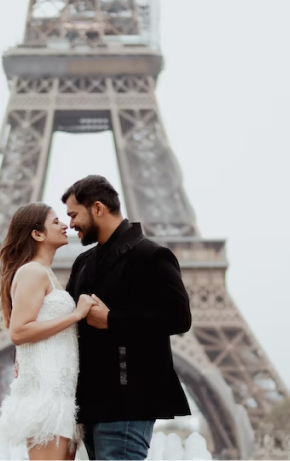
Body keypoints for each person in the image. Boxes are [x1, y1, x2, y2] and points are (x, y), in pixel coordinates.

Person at [62, 175, 193, 461]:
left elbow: (180, 319)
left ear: (97, 208)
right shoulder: (83, 263)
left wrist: (112, 320)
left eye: (74, 214)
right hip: (90, 401)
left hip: (129, 399)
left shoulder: (151, 255)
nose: (70, 224)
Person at [0, 202, 96, 460]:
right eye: (55, 222)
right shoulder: (32, 272)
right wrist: (76, 314)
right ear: (37, 234)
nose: (65, 225)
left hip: (61, 392)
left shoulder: (46, 274)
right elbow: (19, 331)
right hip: (46, 392)